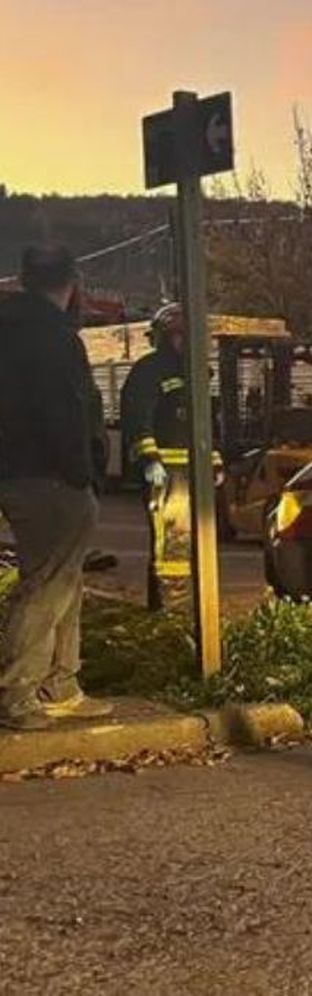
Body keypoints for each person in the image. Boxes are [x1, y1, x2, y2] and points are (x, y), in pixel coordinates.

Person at [0, 245, 111, 729]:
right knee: (47, 585)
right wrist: (80, 471)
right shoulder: (57, 338)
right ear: (71, 282)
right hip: (49, 475)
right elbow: (67, 412)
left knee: (64, 581)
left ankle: (61, 683)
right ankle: (19, 694)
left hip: (13, 471)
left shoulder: (7, 329)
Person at [120, 303, 191, 610]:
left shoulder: (193, 374)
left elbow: (200, 425)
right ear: (165, 337)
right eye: (179, 336)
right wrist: (150, 460)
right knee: (168, 548)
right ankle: (167, 607)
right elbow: (138, 417)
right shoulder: (149, 371)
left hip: (191, 476)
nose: (185, 343)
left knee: (187, 545)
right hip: (166, 475)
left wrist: (213, 462)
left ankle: (186, 605)